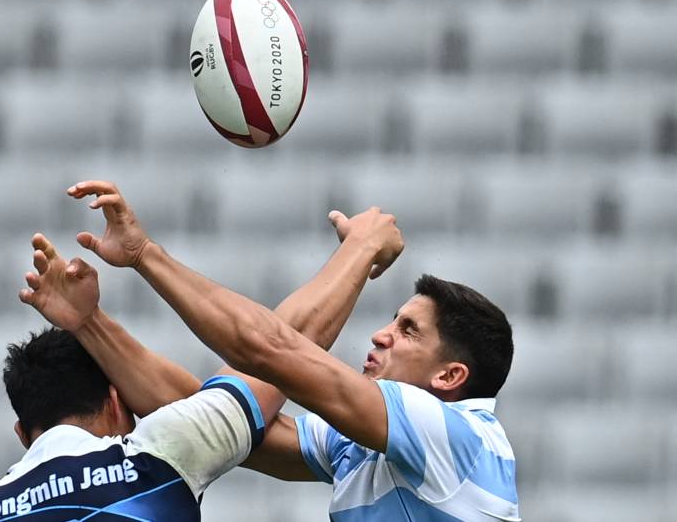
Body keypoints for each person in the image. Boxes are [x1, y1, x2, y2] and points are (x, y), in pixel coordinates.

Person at [34, 179, 519, 522]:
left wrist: (144, 255)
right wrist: (90, 324)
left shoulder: (455, 437)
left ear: (450, 378)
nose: (381, 335)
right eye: (393, 320)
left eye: (408, 330)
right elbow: (215, 419)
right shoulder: (374, 446)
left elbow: (265, 348)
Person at [0, 201, 405, 522]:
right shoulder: (148, 462)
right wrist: (361, 246)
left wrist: (89, 324)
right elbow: (280, 354)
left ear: (22, 436)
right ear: (117, 403)